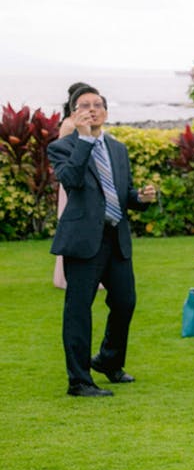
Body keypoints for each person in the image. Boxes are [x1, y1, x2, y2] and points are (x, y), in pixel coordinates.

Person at [48, 86, 157, 397]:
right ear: (73, 114)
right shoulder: (62, 147)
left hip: (116, 238)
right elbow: (71, 180)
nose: (92, 109)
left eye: (97, 105)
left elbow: (122, 193)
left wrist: (140, 198)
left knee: (125, 302)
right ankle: (79, 381)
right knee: (78, 310)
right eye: (84, 105)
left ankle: (109, 360)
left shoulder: (118, 149)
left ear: (106, 112)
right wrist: (84, 140)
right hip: (83, 241)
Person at [53, 82, 92, 289]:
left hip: (88, 180)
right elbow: (64, 157)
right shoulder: (69, 125)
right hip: (72, 181)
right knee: (72, 225)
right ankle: (67, 276)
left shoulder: (86, 124)